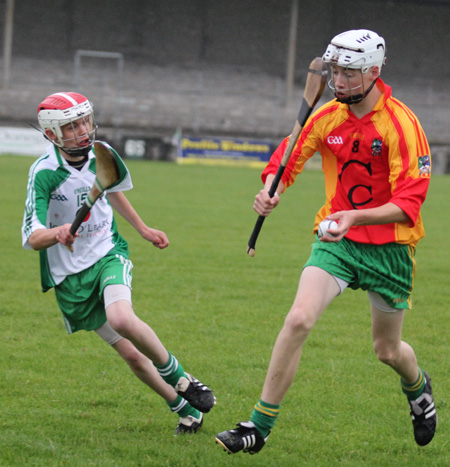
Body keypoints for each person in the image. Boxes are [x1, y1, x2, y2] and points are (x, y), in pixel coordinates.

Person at [216, 29, 436, 454]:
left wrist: (355, 215)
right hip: (336, 239)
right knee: (298, 319)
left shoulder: (402, 125)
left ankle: (418, 387)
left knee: (387, 350)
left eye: (349, 73)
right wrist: (271, 188)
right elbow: (291, 153)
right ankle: (257, 427)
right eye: (335, 71)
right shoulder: (328, 116)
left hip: (390, 247)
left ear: (374, 72)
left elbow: (409, 202)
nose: (338, 81)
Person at [22, 91, 215, 435]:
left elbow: (110, 189)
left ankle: (181, 378)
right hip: (70, 277)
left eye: (85, 121)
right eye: (72, 126)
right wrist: (58, 232)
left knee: (121, 316)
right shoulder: (44, 173)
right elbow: (32, 237)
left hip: (107, 251)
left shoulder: (102, 153)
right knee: (132, 356)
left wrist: (142, 229)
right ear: (52, 134)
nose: (83, 130)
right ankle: (183, 408)